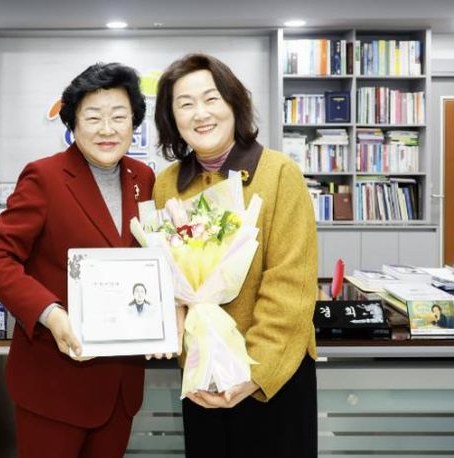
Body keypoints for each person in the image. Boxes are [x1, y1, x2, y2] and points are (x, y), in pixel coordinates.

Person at [0, 62, 155, 458]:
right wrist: (50, 313)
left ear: (134, 123)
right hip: (54, 384)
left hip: (120, 385)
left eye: (119, 116)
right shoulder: (45, 177)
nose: (107, 129)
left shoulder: (143, 178)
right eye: (93, 117)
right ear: (73, 123)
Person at [154, 53, 318, 457]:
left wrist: (252, 372)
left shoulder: (279, 174)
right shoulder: (167, 185)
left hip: (269, 377)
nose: (200, 113)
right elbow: (167, 280)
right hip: (202, 377)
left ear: (234, 103)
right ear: (172, 118)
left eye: (211, 98)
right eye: (185, 104)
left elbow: (290, 286)